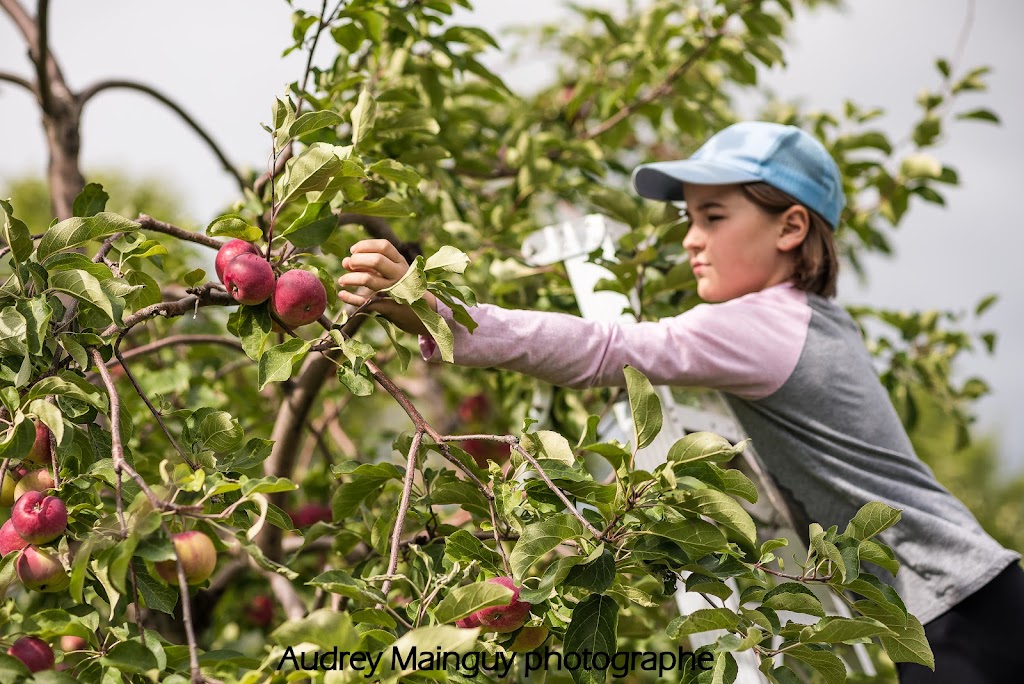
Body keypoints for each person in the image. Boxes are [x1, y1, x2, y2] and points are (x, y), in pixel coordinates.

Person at [336, 121, 1024, 682]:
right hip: (968, 601)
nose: (691, 238)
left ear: (790, 229)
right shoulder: (810, 320)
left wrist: (438, 312)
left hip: (957, 609)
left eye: (714, 216)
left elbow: (607, 349)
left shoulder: (763, 326)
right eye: (689, 217)